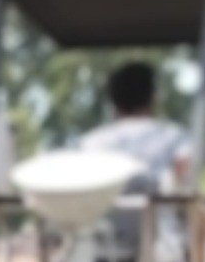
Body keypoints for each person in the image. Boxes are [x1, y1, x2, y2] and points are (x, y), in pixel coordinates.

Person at [80, 61, 192, 193]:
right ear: (153, 96)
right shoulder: (174, 136)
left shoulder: (91, 142)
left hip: (106, 213)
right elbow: (185, 177)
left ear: (113, 99)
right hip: (159, 212)